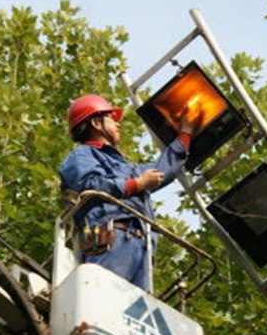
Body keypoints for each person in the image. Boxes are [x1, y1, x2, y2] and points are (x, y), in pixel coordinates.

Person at [59, 94, 200, 291]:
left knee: (134, 314)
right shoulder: (82, 155)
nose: (118, 124)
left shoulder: (127, 168)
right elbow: (91, 185)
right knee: (107, 301)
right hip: (111, 239)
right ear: (96, 122)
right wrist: (138, 184)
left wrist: (186, 131)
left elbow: (162, 170)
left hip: (142, 245)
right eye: (111, 118)